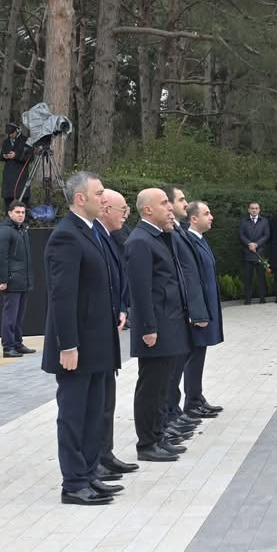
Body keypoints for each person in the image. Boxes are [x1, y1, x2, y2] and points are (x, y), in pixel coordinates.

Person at [42, 172, 122, 505]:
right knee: (74, 415)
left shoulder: (91, 233)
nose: (104, 199)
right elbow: (63, 296)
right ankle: (74, 483)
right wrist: (68, 345)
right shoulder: (66, 237)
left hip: (99, 344)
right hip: (78, 347)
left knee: (95, 413)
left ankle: (89, 474)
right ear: (80, 199)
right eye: (99, 193)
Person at [126, 188, 192, 463]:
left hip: (171, 321)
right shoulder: (140, 241)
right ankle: (147, 442)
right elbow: (140, 291)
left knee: (164, 385)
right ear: (148, 210)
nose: (169, 207)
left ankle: (158, 434)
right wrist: (147, 328)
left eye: (169, 202)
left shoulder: (161, 236)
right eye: (164, 203)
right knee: (151, 386)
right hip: (156, 326)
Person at [160, 186, 210, 445]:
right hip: (170, 316)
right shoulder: (166, 235)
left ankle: (174, 412)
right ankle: (167, 418)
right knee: (167, 372)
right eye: (181, 200)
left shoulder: (177, 232)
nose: (184, 203)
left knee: (176, 366)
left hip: (181, 313)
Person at [95, 189, 138, 478]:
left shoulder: (109, 237)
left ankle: (105, 453)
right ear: (106, 208)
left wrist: (122, 307)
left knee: (106, 401)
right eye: (122, 209)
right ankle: (92, 462)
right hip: (91, 337)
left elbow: (118, 277)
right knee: (92, 405)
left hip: (108, 332)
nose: (125, 215)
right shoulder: (83, 237)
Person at [185, 201, 225, 419]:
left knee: (200, 354)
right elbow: (192, 281)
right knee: (194, 354)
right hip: (199, 312)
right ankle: (191, 401)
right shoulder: (189, 241)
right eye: (206, 213)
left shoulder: (200, 240)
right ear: (193, 219)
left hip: (206, 307)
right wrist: (198, 312)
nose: (211, 217)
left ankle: (196, 396)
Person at [0, 200, 35, 359]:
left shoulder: (22, 230)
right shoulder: (4, 232)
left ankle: (17, 344)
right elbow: (0, 257)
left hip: (23, 280)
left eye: (23, 212)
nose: (21, 215)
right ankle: (8, 347)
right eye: (17, 212)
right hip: (13, 280)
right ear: (10, 213)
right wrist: (4, 279)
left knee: (19, 316)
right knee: (10, 315)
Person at [239, 202, 269, 304]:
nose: (254, 210)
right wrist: (249, 244)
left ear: (259, 210)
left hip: (260, 253)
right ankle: (247, 299)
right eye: (252, 208)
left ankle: (262, 298)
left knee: (261, 277)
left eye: (256, 208)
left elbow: (266, 235)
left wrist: (256, 244)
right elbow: (241, 235)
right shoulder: (244, 221)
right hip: (247, 252)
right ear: (248, 210)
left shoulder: (264, 221)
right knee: (248, 278)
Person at [0, 123, 32, 210]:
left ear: (17, 131)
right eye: (9, 134)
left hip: (21, 174)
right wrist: (4, 156)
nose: (10, 136)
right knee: (8, 201)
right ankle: (8, 219)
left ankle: (23, 221)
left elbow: (30, 157)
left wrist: (16, 156)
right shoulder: (6, 142)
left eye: (12, 133)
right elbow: (1, 156)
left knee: (22, 200)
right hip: (8, 174)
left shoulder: (26, 141)